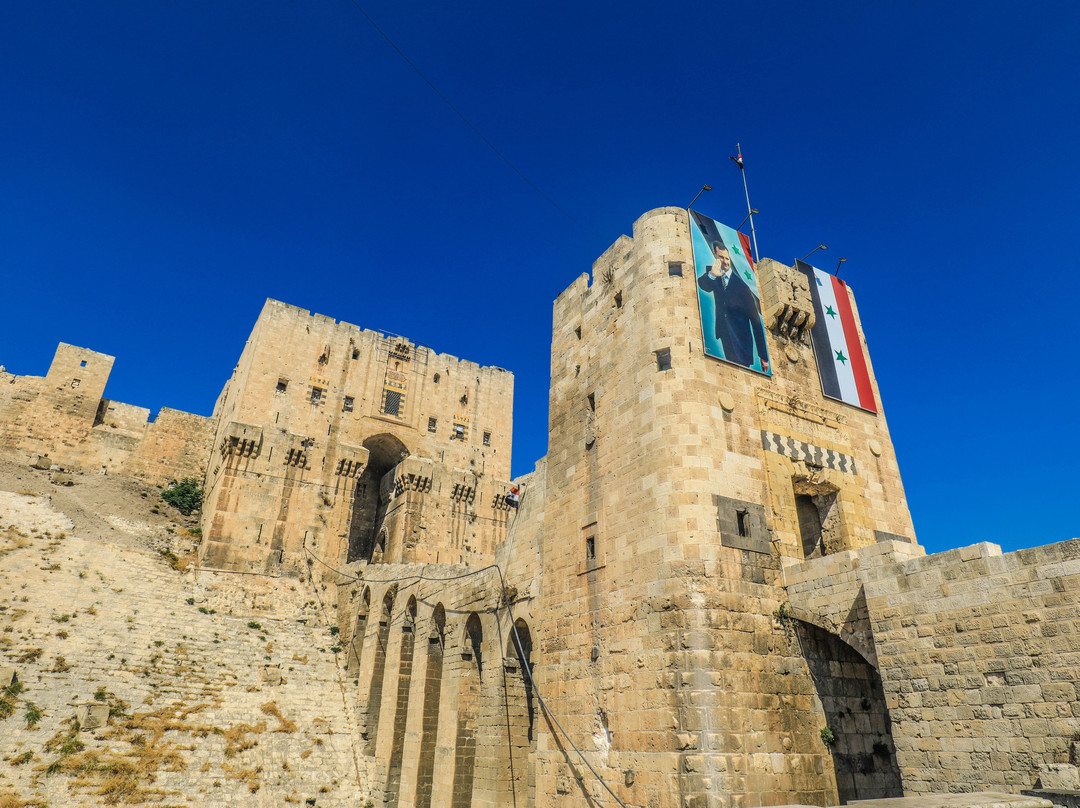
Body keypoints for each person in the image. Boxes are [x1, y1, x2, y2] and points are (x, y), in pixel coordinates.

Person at [696, 239, 769, 372]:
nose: (725, 261)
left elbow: (756, 321)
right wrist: (712, 274)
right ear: (715, 255)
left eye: (727, 258)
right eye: (721, 257)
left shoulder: (742, 287)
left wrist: (763, 356)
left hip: (741, 341)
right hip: (725, 334)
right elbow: (702, 285)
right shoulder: (714, 273)